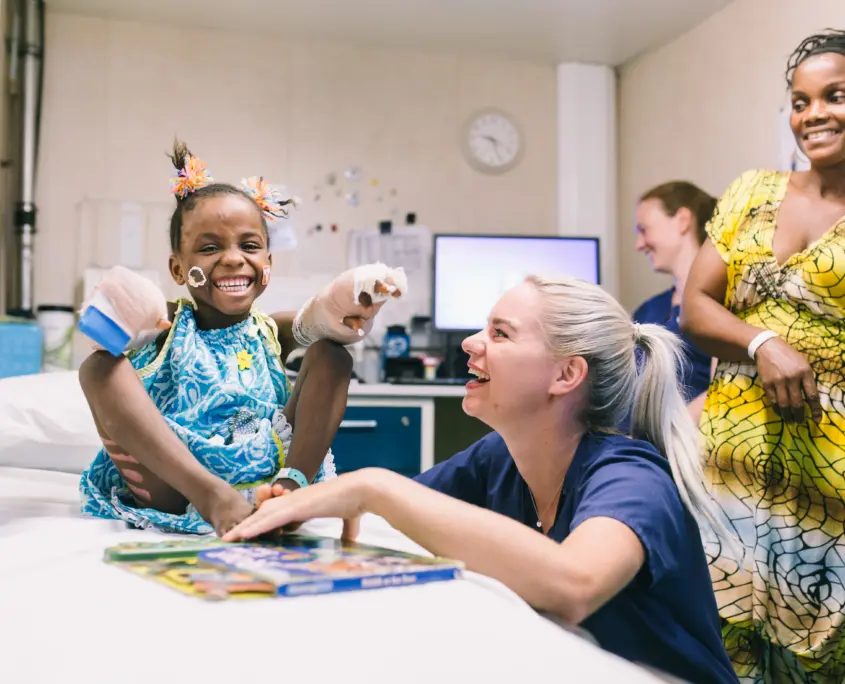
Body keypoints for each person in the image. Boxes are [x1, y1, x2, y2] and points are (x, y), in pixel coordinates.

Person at [229, 275, 739, 684]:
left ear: (566, 375)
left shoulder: (631, 477)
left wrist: (374, 486)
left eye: (500, 333)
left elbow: (574, 584)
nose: (471, 344)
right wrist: (275, 500)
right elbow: (400, 524)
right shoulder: (499, 459)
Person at [78, 140, 402, 536]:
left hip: (267, 466)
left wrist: (354, 295)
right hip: (181, 485)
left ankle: (292, 491)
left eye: (249, 246)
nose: (233, 258)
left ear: (269, 262)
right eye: (209, 248)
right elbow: (117, 331)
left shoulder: (269, 329)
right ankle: (215, 497)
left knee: (332, 356)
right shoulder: (167, 323)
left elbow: (319, 320)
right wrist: (121, 309)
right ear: (178, 269)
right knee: (98, 368)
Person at [680, 29, 845, 683]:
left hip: (826, 485)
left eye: (834, 96)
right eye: (799, 101)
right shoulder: (752, 190)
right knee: (721, 650)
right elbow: (695, 305)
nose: (813, 114)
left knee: (820, 657)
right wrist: (760, 342)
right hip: (731, 475)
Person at [633, 181, 716, 419]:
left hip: (683, 447)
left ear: (682, 220)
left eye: (644, 229)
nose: (639, 245)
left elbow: (724, 392)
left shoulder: (724, 301)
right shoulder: (647, 311)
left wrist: (659, 439)